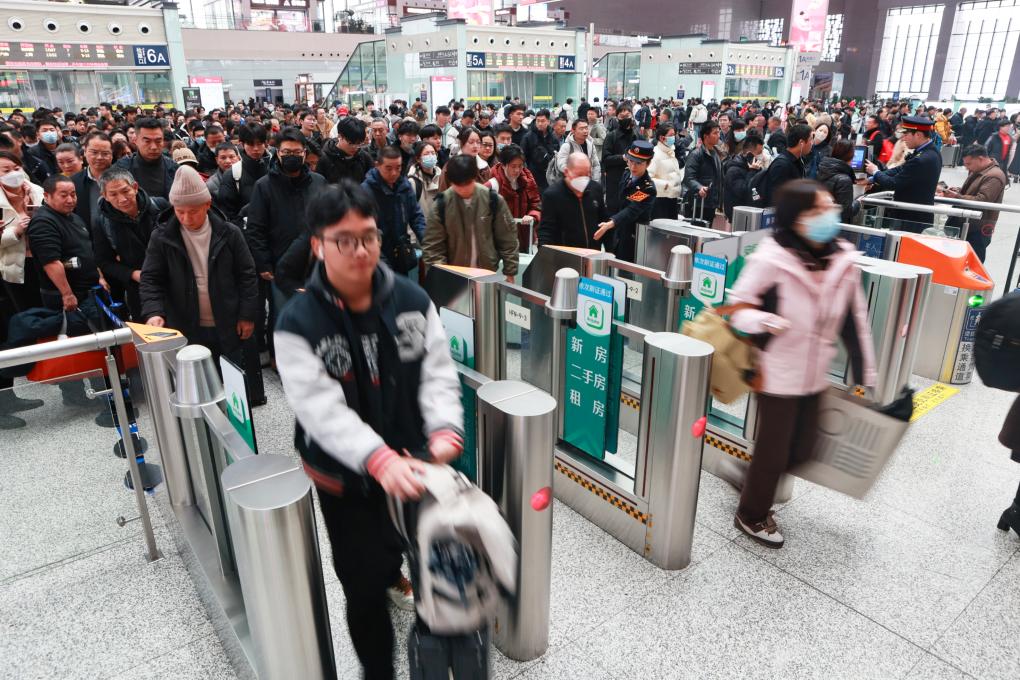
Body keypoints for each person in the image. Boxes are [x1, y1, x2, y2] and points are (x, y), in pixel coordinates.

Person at [273, 182, 463, 680]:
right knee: (362, 585)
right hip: (347, 479)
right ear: (318, 245)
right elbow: (320, 409)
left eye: (369, 236)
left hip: (417, 464)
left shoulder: (411, 299)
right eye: (344, 240)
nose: (360, 250)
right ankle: (377, 671)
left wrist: (443, 427)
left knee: (435, 570)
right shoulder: (298, 322)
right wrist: (377, 459)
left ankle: (433, 659)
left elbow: (437, 373)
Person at [728, 179, 876, 548]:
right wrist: (764, 320)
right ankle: (751, 514)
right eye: (819, 209)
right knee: (775, 449)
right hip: (775, 371)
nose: (829, 214)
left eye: (830, 207)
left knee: (807, 450)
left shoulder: (842, 259)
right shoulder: (771, 258)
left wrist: (865, 373)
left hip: (815, 373)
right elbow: (737, 308)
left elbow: (854, 320)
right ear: (797, 217)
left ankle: (750, 475)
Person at [140, 165, 258, 364]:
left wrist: (247, 315)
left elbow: (247, 275)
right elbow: (151, 278)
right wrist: (154, 312)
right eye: (180, 212)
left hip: (227, 323)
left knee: (231, 375)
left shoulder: (229, 233)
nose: (186, 218)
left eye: (193, 211)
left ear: (207, 204)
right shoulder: (162, 237)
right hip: (185, 325)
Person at [245, 129, 327, 298]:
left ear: (304, 153)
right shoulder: (264, 186)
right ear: (278, 153)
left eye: (297, 152)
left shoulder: (319, 182)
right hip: (280, 266)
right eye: (287, 152)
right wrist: (263, 262)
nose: (292, 156)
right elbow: (256, 228)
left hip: (316, 264)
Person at [422, 154, 518, 281]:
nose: (463, 189)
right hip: (454, 276)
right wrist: (442, 277)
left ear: (474, 178)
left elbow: (508, 238)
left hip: (487, 274)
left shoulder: (492, 200)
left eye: (467, 183)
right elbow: (433, 248)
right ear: (451, 182)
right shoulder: (441, 205)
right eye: (458, 185)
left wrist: (510, 271)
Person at [92, 167, 168, 319]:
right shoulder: (101, 222)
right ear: (104, 196)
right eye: (113, 194)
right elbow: (104, 261)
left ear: (135, 187)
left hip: (171, 278)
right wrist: (133, 274)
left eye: (125, 191)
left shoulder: (159, 206)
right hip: (139, 288)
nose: (122, 199)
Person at [28, 175, 101, 313]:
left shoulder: (74, 217)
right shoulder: (43, 223)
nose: (70, 200)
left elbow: (87, 251)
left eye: (73, 194)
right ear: (47, 196)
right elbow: (51, 263)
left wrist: (99, 277)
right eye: (63, 195)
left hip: (90, 290)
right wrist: (67, 294)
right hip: (66, 295)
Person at [865, 116, 942, 233]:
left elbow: (893, 183)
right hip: (912, 215)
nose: (903, 138)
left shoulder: (922, 159)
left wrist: (876, 172)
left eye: (906, 134)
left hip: (911, 218)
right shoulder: (929, 151)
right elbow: (901, 169)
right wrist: (872, 178)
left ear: (918, 135)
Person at [361, 146, 425, 274]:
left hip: (401, 251)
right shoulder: (366, 191)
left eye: (398, 168)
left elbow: (416, 216)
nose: (394, 173)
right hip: (377, 253)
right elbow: (364, 231)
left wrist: (427, 241)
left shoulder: (405, 186)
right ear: (377, 165)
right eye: (388, 168)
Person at [941, 144, 1007, 261]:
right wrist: (958, 190)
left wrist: (957, 196)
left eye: (969, 164)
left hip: (977, 228)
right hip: (968, 224)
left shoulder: (994, 176)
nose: (967, 167)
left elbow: (982, 200)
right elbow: (974, 190)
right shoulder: (979, 170)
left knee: (972, 261)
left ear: (980, 159)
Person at [596, 141, 656, 262]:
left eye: (638, 163)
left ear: (648, 164)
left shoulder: (647, 188)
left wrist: (610, 223)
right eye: (631, 161)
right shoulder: (626, 174)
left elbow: (631, 210)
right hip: (620, 229)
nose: (633, 167)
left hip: (635, 236)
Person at [538, 152, 609, 249]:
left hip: (592, 253)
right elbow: (546, 231)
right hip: (565, 254)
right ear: (566, 172)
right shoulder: (552, 195)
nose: (583, 179)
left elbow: (604, 222)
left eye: (587, 174)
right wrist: (545, 253)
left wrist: (610, 252)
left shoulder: (595, 189)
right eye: (579, 175)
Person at [491, 144, 541, 252]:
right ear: (503, 165)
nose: (517, 170)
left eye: (520, 166)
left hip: (524, 238)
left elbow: (536, 204)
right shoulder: (493, 182)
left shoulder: (527, 179)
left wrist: (532, 215)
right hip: (500, 242)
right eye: (513, 166)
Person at [217, 122, 271, 221]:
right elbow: (228, 214)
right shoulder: (232, 174)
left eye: (259, 144)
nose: (256, 149)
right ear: (242, 144)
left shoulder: (275, 169)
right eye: (250, 144)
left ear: (265, 144)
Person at [115, 118, 177, 200]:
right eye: (147, 141)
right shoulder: (121, 169)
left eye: (158, 141)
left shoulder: (174, 169)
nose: (154, 147)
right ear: (135, 140)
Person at [758, 123, 811, 207]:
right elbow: (776, 198)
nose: (812, 143)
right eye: (811, 139)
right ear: (801, 142)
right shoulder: (781, 165)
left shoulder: (798, 160)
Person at [682, 121, 724, 223]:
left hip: (711, 202)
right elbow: (689, 178)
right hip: (697, 203)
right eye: (715, 133)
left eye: (719, 132)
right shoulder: (696, 154)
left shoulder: (716, 153)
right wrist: (699, 187)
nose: (718, 136)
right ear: (706, 136)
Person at [71, 132, 113, 230]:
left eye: (105, 153)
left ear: (111, 155)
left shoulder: (123, 178)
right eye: (94, 152)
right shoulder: (74, 182)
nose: (99, 157)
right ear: (85, 152)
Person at [317, 117, 374, 186]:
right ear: (340, 136)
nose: (355, 147)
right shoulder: (324, 159)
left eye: (359, 143)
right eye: (351, 143)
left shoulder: (364, 158)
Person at [601, 105, 638, 214]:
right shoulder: (611, 136)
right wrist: (623, 158)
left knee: (632, 211)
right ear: (617, 118)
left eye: (627, 116)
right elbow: (605, 159)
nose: (625, 119)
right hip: (615, 182)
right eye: (622, 116)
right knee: (614, 212)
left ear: (632, 116)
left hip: (633, 181)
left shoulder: (637, 135)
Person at [816, 139, 860, 225]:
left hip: (820, 221)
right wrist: (858, 203)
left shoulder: (821, 169)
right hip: (837, 226)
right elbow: (846, 212)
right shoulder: (844, 179)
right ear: (850, 156)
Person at [723, 133, 765, 222]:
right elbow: (743, 191)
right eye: (759, 153)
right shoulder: (734, 170)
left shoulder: (753, 168)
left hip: (752, 213)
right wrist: (752, 171)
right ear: (749, 154)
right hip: (739, 217)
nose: (761, 156)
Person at [648, 122, 682, 220]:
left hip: (672, 198)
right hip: (660, 200)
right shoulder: (655, 154)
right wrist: (665, 185)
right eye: (671, 135)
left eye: (674, 135)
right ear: (662, 138)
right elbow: (648, 177)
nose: (674, 138)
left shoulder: (670, 151)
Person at [521, 109, 558, 192]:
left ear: (548, 122)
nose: (540, 123)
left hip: (550, 175)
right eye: (538, 121)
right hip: (533, 175)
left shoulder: (553, 137)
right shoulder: (528, 137)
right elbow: (523, 156)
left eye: (543, 121)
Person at [555, 118, 602, 184]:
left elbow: (596, 164)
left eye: (586, 128)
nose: (585, 131)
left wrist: (595, 181)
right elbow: (561, 164)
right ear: (573, 131)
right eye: (581, 129)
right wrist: (576, 174)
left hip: (589, 182)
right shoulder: (567, 146)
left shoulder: (590, 145)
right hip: (572, 183)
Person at [406, 141, 442, 218]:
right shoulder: (413, 182)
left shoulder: (442, 176)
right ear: (418, 159)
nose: (431, 156)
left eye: (433, 153)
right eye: (426, 154)